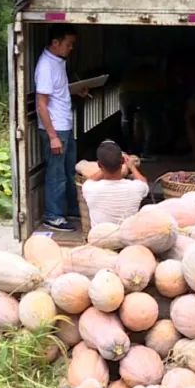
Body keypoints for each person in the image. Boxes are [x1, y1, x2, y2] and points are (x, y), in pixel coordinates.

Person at [35, 23, 88, 232]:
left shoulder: (58, 61)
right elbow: (41, 104)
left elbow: (57, 92)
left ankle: (70, 209)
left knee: (68, 172)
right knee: (56, 174)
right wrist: (52, 136)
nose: (71, 48)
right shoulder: (46, 66)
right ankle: (53, 216)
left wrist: (76, 91)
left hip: (64, 127)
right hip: (55, 130)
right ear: (55, 43)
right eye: (69, 44)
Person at [82, 140, 149, 227]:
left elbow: (91, 179)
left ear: (99, 164)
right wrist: (131, 166)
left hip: (100, 239)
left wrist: (105, 166)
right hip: (126, 239)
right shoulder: (136, 188)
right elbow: (143, 181)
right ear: (122, 161)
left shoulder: (90, 188)